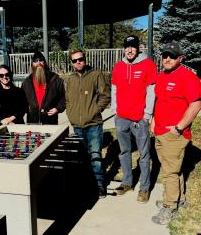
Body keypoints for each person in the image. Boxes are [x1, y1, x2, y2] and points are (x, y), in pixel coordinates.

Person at [151, 42, 201, 225]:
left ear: (180, 58)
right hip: (160, 131)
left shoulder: (188, 77)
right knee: (173, 170)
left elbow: (196, 104)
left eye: (172, 56)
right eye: (165, 55)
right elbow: (160, 100)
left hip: (174, 134)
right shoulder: (162, 76)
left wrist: (179, 128)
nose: (167, 59)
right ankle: (179, 200)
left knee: (170, 173)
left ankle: (169, 207)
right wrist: (155, 120)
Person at [111, 35, 158, 203]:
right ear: (123, 49)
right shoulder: (118, 67)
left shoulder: (148, 65)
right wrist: (115, 110)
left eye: (132, 47)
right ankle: (127, 182)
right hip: (122, 117)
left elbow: (152, 90)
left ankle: (144, 188)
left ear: (138, 48)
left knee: (144, 155)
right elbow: (114, 89)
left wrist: (147, 114)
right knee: (124, 152)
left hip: (139, 118)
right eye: (127, 47)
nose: (129, 50)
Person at [65, 49, 111, 198]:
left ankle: (99, 186)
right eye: (74, 60)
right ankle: (86, 185)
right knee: (81, 158)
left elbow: (105, 95)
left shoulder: (95, 74)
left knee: (95, 156)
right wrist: (71, 114)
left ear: (85, 59)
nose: (78, 62)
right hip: (77, 126)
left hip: (93, 125)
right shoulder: (70, 79)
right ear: (71, 63)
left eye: (80, 59)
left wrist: (95, 111)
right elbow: (68, 100)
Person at [22, 51, 66, 124]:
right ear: (32, 64)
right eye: (36, 61)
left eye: (41, 60)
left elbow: (64, 97)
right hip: (33, 121)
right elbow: (22, 100)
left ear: (44, 63)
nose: (38, 63)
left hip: (50, 121)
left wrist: (58, 108)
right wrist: (27, 109)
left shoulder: (55, 79)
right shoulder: (27, 82)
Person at [0, 64, 27, 129]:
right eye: (1, 75)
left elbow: (22, 108)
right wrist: (3, 121)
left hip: (15, 125)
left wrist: (10, 119)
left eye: (7, 74)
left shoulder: (19, 91)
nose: (4, 77)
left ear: (10, 75)